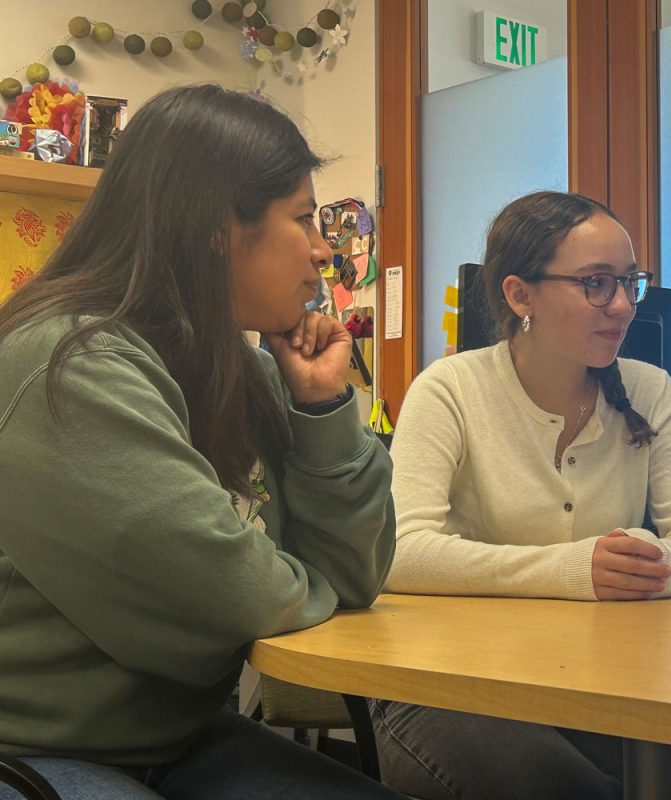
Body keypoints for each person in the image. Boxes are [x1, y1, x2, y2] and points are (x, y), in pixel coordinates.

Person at [0, 85, 400, 799]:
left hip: (179, 738)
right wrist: (298, 584)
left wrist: (324, 406)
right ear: (218, 225)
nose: (321, 251)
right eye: (303, 219)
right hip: (36, 748)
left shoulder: (243, 364)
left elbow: (356, 576)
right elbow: (238, 596)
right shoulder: (67, 364)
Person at [373, 190, 671, 800]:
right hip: (447, 683)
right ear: (520, 295)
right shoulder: (450, 390)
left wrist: (653, 567)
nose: (621, 306)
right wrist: (573, 569)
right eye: (595, 284)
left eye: (629, 283)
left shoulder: (649, 390)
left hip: (591, 681)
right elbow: (400, 552)